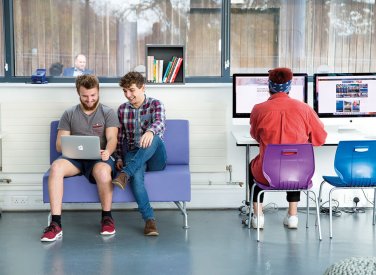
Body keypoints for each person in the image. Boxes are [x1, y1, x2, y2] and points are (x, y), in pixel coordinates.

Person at [41, 74, 119, 242]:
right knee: (56, 167)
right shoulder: (69, 113)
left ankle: (107, 218)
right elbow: (59, 145)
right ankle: (55, 224)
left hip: (99, 158)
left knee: (104, 172)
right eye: (85, 96)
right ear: (78, 93)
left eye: (93, 95)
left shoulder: (108, 112)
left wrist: (108, 151)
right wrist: (71, 147)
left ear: (98, 92)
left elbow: (113, 138)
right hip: (74, 160)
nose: (89, 99)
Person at [249, 67, 327, 230]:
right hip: (297, 176)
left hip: (266, 174)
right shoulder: (305, 109)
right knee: (294, 164)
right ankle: (292, 216)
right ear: (289, 87)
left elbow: (256, 136)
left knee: (251, 166)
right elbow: (320, 139)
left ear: (269, 87)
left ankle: (258, 217)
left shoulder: (258, 109)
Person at [112, 71, 166, 236]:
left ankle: (125, 174)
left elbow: (160, 122)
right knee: (136, 177)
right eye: (125, 91)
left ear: (143, 88)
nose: (128, 95)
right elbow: (120, 137)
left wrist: (150, 132)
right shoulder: (122, 110)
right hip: (134, 153)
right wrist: (120, 157)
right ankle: (149, 220)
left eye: (132, 90)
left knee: (154, 137)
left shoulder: (155, 104)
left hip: (156, 154)